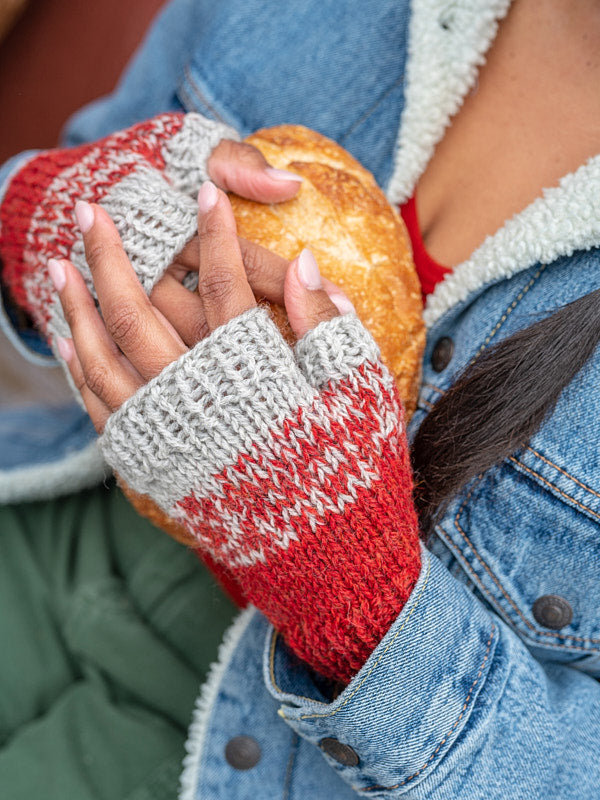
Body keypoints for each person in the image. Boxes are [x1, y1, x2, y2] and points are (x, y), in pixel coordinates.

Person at [1, 0, 599, 798]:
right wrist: (47, 220)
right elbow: (87, 155)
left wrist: (365, 612)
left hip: (272, 756)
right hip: (64, 519)